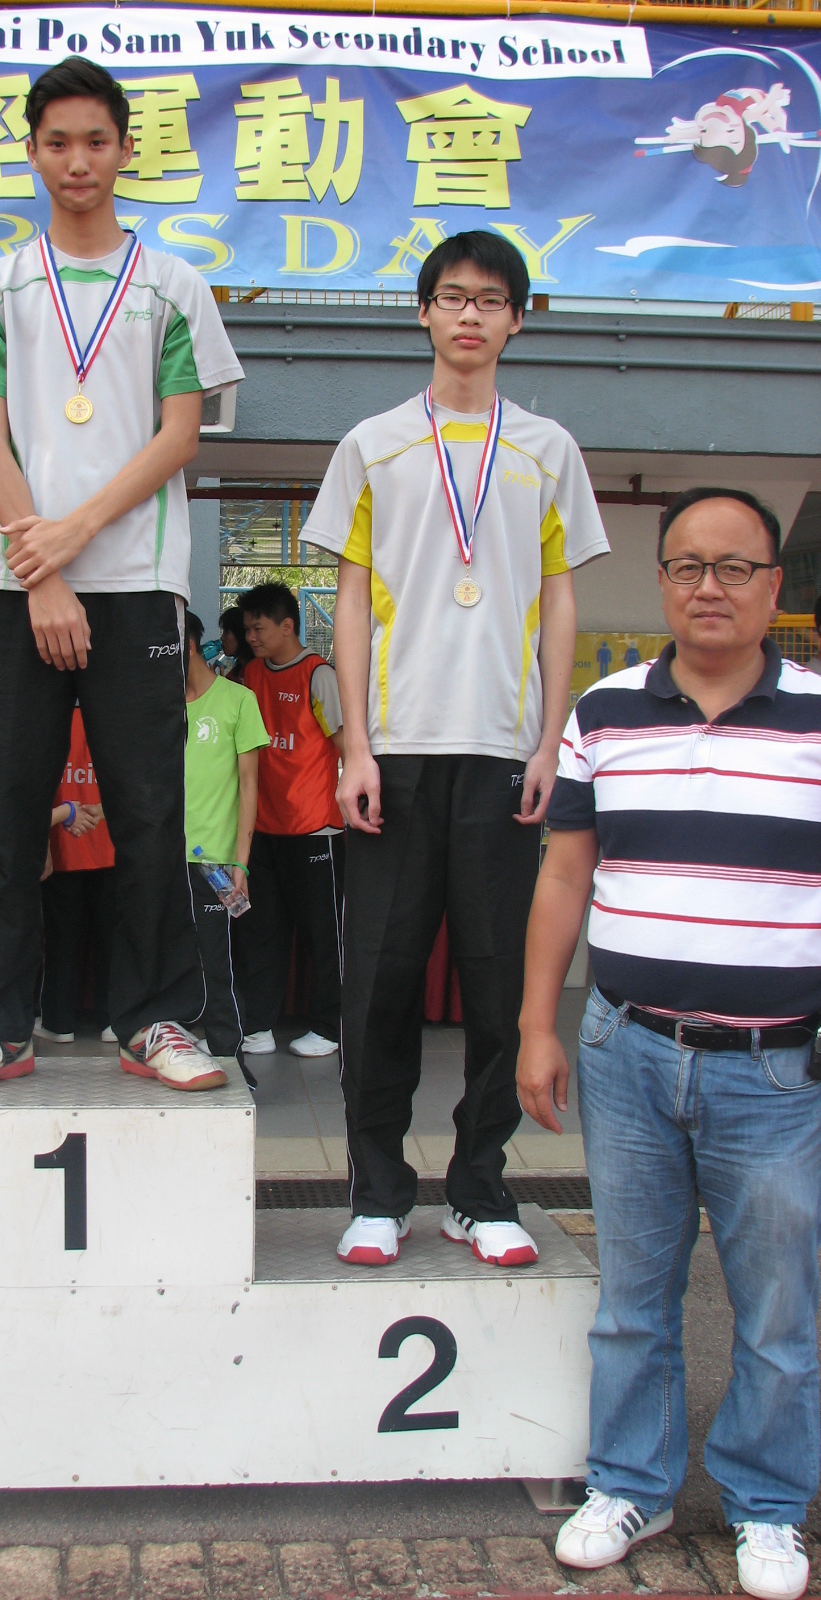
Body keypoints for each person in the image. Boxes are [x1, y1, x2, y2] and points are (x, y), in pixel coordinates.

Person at [519, 488, 821, 1600]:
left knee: (779, 1309)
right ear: (662, 582)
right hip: (628, 1051)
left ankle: (768, 1504)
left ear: (773, 586)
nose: (710, 587)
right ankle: (629, 1484)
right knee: (633, 1296)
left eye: (735, 568)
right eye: (688, 566)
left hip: (778, 1070)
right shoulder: (602, 712)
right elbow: (565, 876)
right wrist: (537, 1025)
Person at [0, 56, 243, 1095]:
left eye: (95, 141)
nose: (77, 160)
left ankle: (156, 1019)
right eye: (57, 142)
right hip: (16, 582)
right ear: (31, 152)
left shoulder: (173, 286)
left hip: (138, 582)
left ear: (124, 149)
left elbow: (179, 435)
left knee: (148, 810)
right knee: (10, 809)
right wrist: (42, 570)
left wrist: (76, 538)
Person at [304, 230, 609, 1268]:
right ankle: (378, 1193)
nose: (469, 314)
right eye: (451, 296)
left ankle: (480, 1190)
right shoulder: (374, 444)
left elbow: (559, 602)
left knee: (498, 985)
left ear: (517, 319)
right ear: (423, 311)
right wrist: (355, 745)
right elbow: (350, 598)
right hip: (395, 752)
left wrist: (549, 740)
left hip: (502, 754)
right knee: (379, 983)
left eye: (489, 299)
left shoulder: (550, 449)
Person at [235, 582, 345, 1059]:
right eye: (247, 629)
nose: (251, 637)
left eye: (258, 628)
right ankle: (258, 1024)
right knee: (260, 931)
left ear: (286, 626)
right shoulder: (250, 675)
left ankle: (329, 1028)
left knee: (323, 934)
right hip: (263, 827)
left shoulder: (319, 675)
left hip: (315, 828)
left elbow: (345, 746)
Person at [183, 609, 268, 1087]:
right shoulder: (160, 706)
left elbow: (249, 785)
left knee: (218, 964)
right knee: (170, 959)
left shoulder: (238, 700)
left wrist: (241, 862)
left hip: (213, 860)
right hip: (164, 857)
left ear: (189, 646)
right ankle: (174, 1049)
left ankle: (229, 1058)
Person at [35, 705, 115, 1045]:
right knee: (112, 940)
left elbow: (39, 788)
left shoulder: (48, 718)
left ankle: (59, 1022)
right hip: (109, 845)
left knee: (60, 941)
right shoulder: (112, 718)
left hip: (62, 846)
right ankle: (112, 1021)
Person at [219, 604, 254, 684]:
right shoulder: (234, 675)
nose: (222, 638)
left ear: (240, 634)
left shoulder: (259, 670)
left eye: (226, 632)